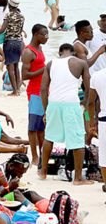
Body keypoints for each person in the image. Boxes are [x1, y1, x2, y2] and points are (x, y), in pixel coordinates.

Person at [38, 43, 93, 184]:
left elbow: (43, 89)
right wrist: (85, 104)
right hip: (71, 103)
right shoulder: (81, 63)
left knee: (49, 137)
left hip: (54, 103)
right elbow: (87, 86)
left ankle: (43, 172)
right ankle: (78, 178)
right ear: (73, 53)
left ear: (59, 53)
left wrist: (46, 111)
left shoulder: (50, 63)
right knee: (77, 139)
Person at [19, 24, 48, 168]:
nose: (47, 37)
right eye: (44, 34)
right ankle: (35, 156)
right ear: (36, 34)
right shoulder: (28, 52)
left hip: (43, 91)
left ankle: (43, 154)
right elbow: (24, 75)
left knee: (42, 126)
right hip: (35, 92)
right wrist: (44, 69)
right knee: (33, 127)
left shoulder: (39, 48)